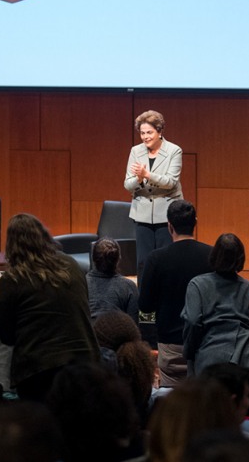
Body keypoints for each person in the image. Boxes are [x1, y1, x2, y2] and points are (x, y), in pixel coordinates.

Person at [0, 213, 100, 401]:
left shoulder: (12, 279)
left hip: (38, 371)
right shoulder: (72, 264)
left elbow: (6, 336)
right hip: (85, 363)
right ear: (43, 236)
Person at [138, 200, 212, 386]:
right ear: (196, 222)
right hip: (206, 344)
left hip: (169, 345)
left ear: (169, 226)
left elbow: (145, 305)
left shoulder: (155, 258)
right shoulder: (212, 255)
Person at [182, 233, 249, 376]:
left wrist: (189, 353)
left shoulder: (197, 284)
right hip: (247, 359)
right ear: (241, 258)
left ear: (214, 255)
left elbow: (192, 321)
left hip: (210, 359)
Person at [124, 110, 183, 275]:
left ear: (159, 131)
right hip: (142, 214)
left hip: (166, 214)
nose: (145, 137)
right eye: (142, 133)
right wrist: (139, 180)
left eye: (149, 132)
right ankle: (143, 299)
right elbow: (128, 184)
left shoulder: (174, 151)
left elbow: (171, 182)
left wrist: (147, 175)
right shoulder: (136, 151)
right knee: (143, 262)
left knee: (165, 262)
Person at [87, 238, 140, 323]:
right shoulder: (129, 287)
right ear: (118, 259)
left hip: (88, 336)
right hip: (121, 335)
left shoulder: (81, 284)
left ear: (93, 258)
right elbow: (134, 325)